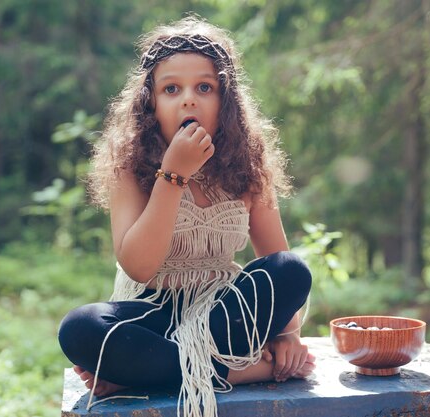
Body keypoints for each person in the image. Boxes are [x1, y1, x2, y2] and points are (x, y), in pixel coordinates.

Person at [58, 16, 315, 417]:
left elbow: (278, 265)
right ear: (151, 102)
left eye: (205, 87)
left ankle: (147, 374)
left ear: (225, 101)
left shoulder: (248, 165)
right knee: (79, 329)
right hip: (150, 315)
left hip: (222, 316)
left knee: (293, 269)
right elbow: (139, 267)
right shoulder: (129, 165)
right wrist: (173, 176)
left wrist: (286, 333)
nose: (188, 99)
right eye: (171, 88)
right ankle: (241, 372)